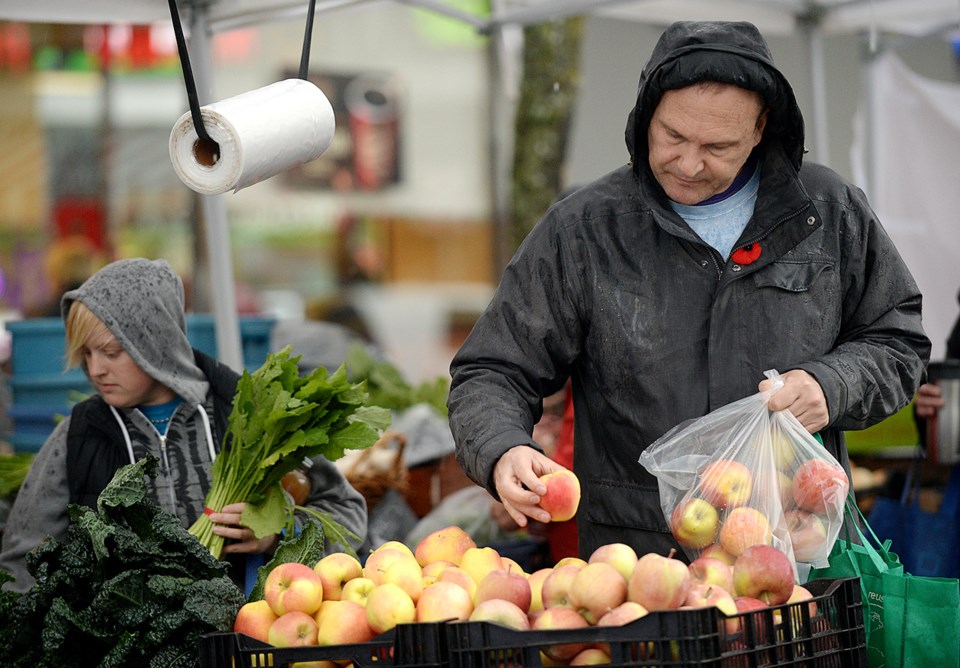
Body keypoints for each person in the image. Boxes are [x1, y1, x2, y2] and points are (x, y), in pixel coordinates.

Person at [447, 20, 931, 561]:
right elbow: (493, 369)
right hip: (638, 563)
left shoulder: (827, 211)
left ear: (760, 128)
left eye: (718, 146)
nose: (689, 163)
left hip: (797, 553)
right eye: (673, 136)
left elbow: (896, 339)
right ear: (646, 115)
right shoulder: (584, 229)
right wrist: (501, 449)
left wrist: (833, 384)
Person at [0, 258, 368, 592]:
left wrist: (283, 534)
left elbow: (347, 515)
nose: (96, 369)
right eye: (87, 354)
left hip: (241, 645)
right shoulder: (78, 436)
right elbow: (24, 559)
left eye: (112, 352)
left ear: (154, 343)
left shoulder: (250, 414)